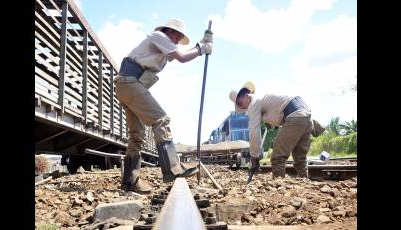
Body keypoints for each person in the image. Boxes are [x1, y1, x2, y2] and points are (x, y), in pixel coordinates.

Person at [114, 18, 213, 192]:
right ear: (169, 31)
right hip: (130, 83)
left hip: (127, 85)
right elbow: (182, 57)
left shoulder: (163, 46)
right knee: (161, 120)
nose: (177, 40)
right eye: (177, 36)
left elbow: (181, 54)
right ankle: (172, 169)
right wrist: (201, 49)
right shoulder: (159, 36)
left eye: (180, 37)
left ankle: (130, 181)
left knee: (136, 135)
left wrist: (200, 44)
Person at [229, 81, 324, 178]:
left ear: (246, 95)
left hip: (294, 116)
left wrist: (254, 156)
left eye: (240, 103)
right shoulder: (262, 97)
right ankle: (304, 181)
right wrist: (272, 124)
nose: (243, 107)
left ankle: (279, 186)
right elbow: (279, 110)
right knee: (300, 157)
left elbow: (254, 132)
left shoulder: (253, 102)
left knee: (277, 157)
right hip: (305, 115)